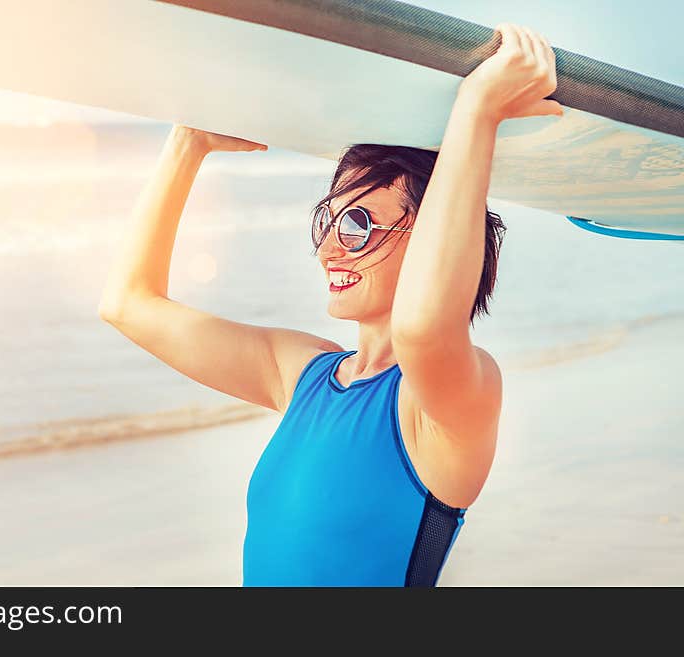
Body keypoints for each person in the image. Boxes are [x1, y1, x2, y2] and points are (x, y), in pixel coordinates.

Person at [99, 23, 562, 586]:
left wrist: (478, 110)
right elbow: (128, 303)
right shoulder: (302, 376)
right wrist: (187, 144)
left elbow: (423, 327)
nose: (327, 248)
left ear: (429, 234)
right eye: (328, 219)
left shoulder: (452, 400)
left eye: (358, 224)